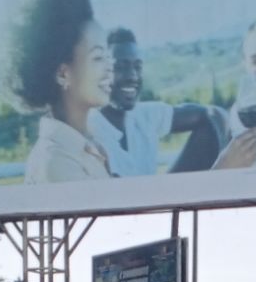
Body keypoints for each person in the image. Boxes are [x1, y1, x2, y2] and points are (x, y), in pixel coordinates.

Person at [12, 0, 114, 183]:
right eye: (98, 57)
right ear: (62, 74)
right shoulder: (55, 161)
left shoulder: (88, 145)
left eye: (108, 56)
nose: (110, 67)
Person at [93, 27, 221, 175]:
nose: (133, 76)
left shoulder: (145, 115)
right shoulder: (89, 131)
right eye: (120, 67)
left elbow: (208, 115)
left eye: (137, 67)